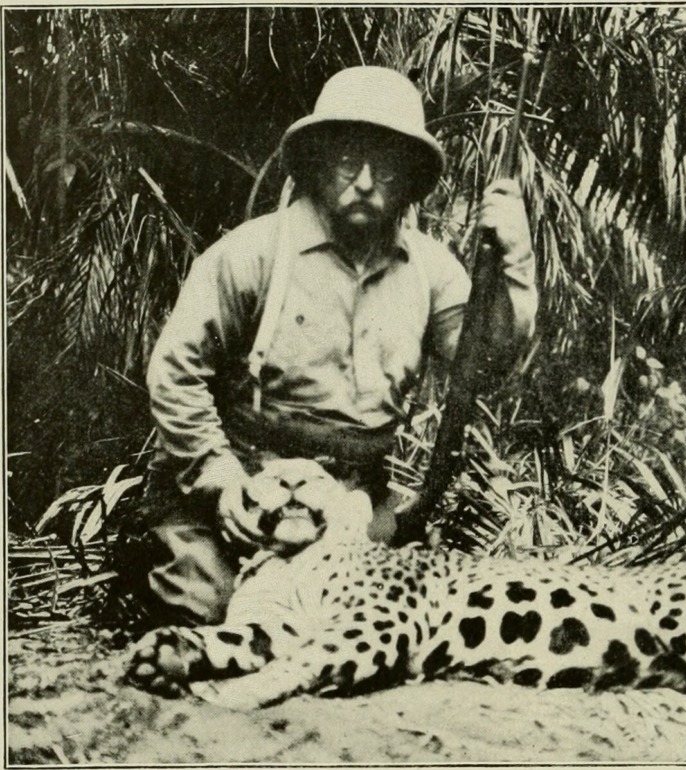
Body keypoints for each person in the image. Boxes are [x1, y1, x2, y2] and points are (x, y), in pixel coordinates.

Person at [130, 66, 537, 626]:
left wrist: (516, 260)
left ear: (408, 178)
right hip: (243, 483)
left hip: (350, 500)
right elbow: (175, 372)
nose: (365, 182)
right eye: (349, 162)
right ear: (320, 164)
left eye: (385, 167)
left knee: (374, 628)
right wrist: (221, 482)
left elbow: (484, 363)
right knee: (217, 621)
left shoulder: (431, 271)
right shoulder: (253, 254)